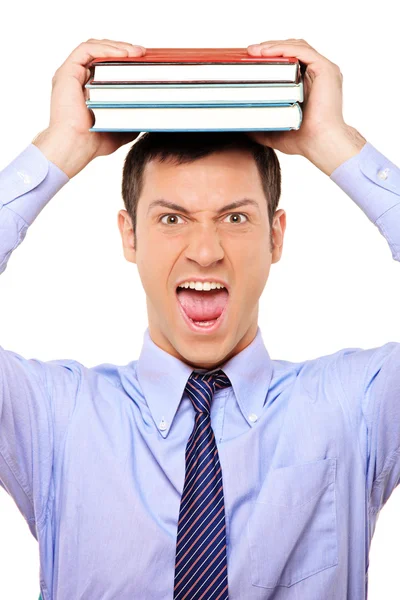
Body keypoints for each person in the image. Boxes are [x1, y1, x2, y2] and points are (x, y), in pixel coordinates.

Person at [0, 37, 399, 600]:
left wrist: (332, 142)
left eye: (235, 217)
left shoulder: (353, 408)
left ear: (276, 236)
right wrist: (61, 146)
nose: (205, 251)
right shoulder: (53, 421)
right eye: (172, 219)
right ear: (128, 235)